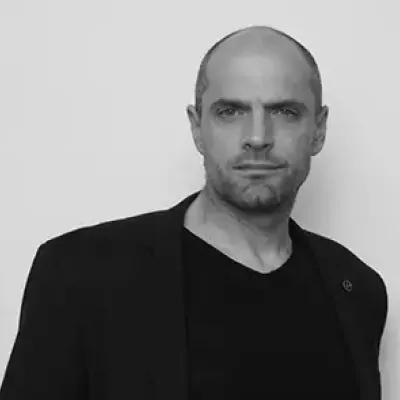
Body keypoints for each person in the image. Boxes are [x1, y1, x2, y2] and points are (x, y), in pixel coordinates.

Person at [0, 25, 388, 400]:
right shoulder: (81, 273)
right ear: (197, 128)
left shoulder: (357, 289)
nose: (257, 137)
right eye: (230, 112)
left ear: (319, 130)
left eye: (285, 111)